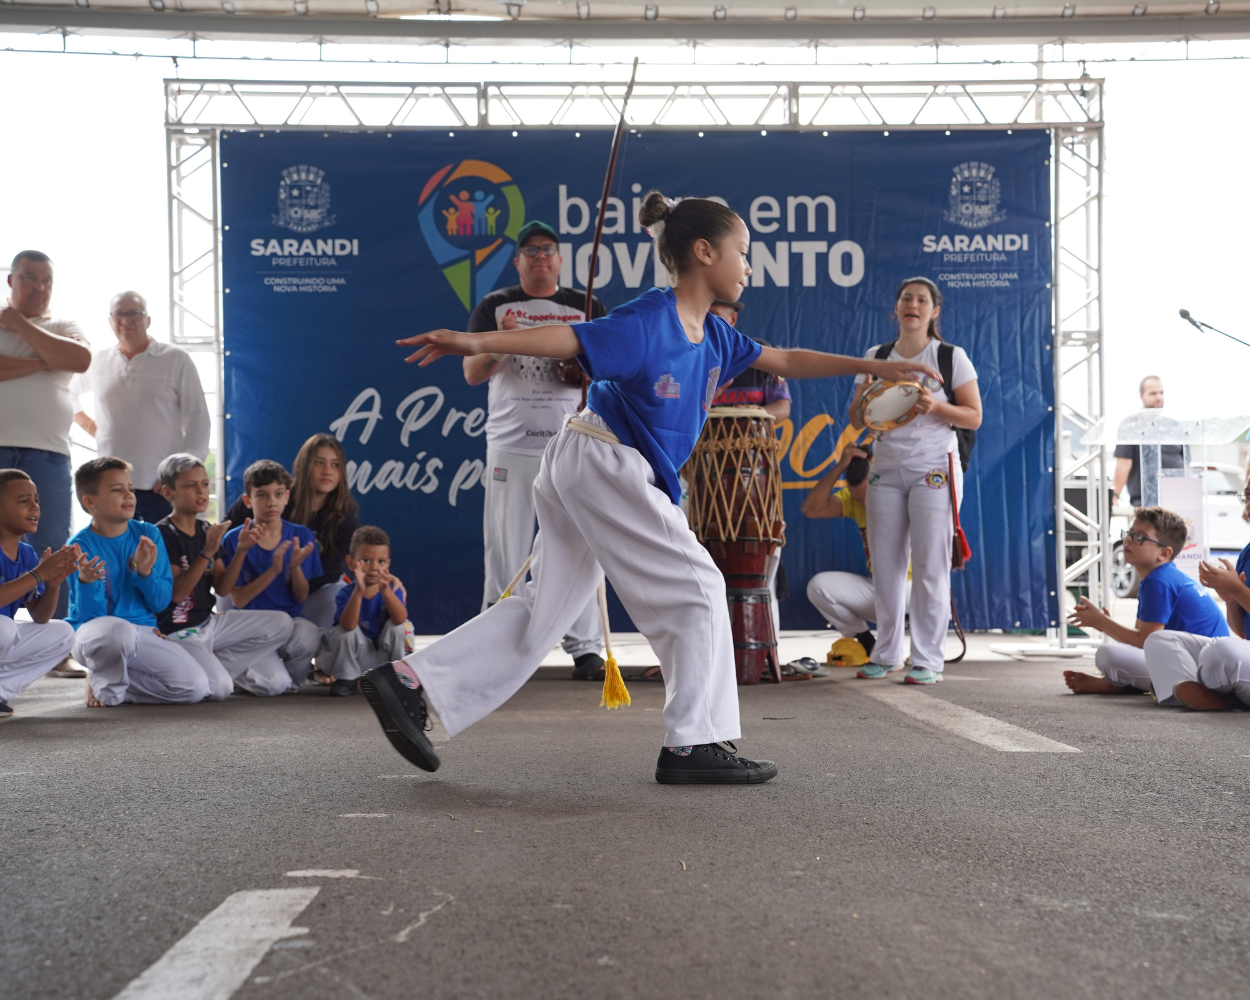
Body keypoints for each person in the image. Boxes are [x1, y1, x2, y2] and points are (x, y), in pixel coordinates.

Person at [361, 191, 939, 785]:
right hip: (604, 458)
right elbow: (572, 340)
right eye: (742, 252)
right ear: (703, 251)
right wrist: (476, 341)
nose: (748, 266)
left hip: (588, 460)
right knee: (700, 587)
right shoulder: (650, 318)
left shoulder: (716, 336)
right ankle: (693, 744)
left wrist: (878, 368)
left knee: (545, 610)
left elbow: (786, 359)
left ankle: (409, 682)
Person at [465, 220, 608, 682]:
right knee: (505, 547)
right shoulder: (495, 304)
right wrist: (501, 343)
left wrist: (581, 370)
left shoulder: (584, 306)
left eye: (548, 249)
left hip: (572, 445)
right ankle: (495, 644)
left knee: (578, 546)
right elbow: (472, 372)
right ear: (518, 261)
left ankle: (585, 648)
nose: (540, 256)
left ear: (560, 259)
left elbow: (608, 372)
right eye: (531, 251)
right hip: (511, 447)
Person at [848, 277, 982, 685]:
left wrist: (936, 405)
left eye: (922, 300)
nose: (913, 305)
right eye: (906, 298)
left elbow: (973, 416)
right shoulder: (877, 355)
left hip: (933, 466)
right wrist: (867, 398)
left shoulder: (949, 356)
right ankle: (886, 653)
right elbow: (856, 419)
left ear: (934, 311)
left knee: (929, 567)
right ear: (896, 308)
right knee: (886, 568)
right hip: (885, 467)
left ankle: (927, 660)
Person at [66, 457, 214, 707]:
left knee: (195, 688)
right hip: (94, 636)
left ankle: (119, 684)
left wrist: (144, 573)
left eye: (131, 489)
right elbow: (92, 617)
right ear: (90, 502)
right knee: (117, 630)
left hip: (142, 630)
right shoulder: (78, 547)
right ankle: (103, 680)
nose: (129, 495)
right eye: (117, 490)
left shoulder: (148, 534)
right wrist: (87, 582)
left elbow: (160, 603)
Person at [0, 251, 92, 626]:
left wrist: (19, 327)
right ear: (11, 280)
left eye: (47, 280)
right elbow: (62, 358)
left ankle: (57, 639)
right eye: (29, 278)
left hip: (49, 454)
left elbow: (80, 360)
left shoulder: (65, 324)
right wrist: (46, 360)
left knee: (52, 545)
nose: (40, 287)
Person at [154, 454, 295, 698]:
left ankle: (212, 665)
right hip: (178, 629)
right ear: (168, 493)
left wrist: (240, 550)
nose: (201, 491)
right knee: (219, 690)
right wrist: (207, 551)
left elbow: (221, 588)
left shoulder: (206, 529)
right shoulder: (162, 533)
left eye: (205, 484)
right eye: (191, 485)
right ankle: (207, 673)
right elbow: (176, 594)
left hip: (209, 623)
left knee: (277, 674)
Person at [70, 291, 210, 525]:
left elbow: (198, 418)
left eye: (134, 313)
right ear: (110, 321)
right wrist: (92, 427)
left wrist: (180, 474)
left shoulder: (175, 359)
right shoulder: (97, 361)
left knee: (164, 555)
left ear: (148, 319)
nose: (126, 320)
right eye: (119, 314)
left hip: (161, 486)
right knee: (116, 556)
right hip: (111, 484)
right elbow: (68, 392)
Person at [1063, 506, 1228, 697]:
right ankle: (1120, 683)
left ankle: (1121, 683)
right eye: (1129, 533)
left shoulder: (1158, 581)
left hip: (1201, 669)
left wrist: (1102, 622)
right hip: (1199, 662)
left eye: (1139, 537)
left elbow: (1145, 642)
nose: (1128, 540)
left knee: (1107, 654)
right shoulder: (1158, 578)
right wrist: (1105, 625)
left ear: (1164, 553)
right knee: (1116, 652)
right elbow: (1140, 638)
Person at [226, 434, 361, 646]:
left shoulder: (344, 518)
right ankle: (233, 644)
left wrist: (387, 583)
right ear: (304, 465)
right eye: (319, 463)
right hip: (258, 591)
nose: (327, 471)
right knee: (226, 585)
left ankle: (324, 661)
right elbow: (223, 537)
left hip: (309, 594)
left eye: (335, 465)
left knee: (337, 596)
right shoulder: (273, 493)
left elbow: (362, 561)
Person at [1137, 481, 1250, 711]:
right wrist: (1230, 600)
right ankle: (1209, 695)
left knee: (1221, 651)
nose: (1247, 503)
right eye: (1246, 495)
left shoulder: (1160, 579)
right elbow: (1241, 632)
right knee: (1159, 641)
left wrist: (1238, 591)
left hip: (1230, 658)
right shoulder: (1247, 552)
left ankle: (1219, 694)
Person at [214, 460, 323, 690]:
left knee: (309, 635)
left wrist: (294, 569)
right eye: (262, 495)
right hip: (252, 627)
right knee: (273, 683)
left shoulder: (300, 536)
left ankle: (292, 684)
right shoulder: (235, 539)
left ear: (286, 497)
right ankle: (223, 669)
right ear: (248, 500)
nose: (271, 502)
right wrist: (273, 570)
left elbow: (302, 597)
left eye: (278, 494)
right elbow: (239, 600)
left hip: (289, 622)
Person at [802, 443, 910, 665]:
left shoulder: (903, 492)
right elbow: (811, 509)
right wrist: (840, 466)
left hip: (912, 590)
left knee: (917, 589)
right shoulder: (853, 500)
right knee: (819, 586)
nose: (863, 502)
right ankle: (866, 642)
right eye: (857, 498)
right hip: (879, 589)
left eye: (866, 496)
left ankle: (920, 652)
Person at [0, 469, 79, 718]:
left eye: (37, 500)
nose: (35, 507)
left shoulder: (27, 554)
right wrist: (37, 575)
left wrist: (52, 583)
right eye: (24, 501)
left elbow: (39, 617)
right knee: (5, 627)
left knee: (62, 632)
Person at [323, 526, 409, 698]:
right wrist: (358, 593)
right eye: (366, 561)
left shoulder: (392, 589)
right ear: (350, 562)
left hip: (385, 658)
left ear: (388, 564)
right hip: (358, 659)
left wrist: (386, 591)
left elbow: (400, 619)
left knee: (399, 628)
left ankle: (400, 678)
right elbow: (348, 625)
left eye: (381, 561)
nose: (374, 568)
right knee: (342, 632)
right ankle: (346, 679)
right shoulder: (346, 593)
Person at [706, 300, 791, 420]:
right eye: (701, 315)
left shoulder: (759, 353)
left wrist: (761, 413)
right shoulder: (690, 357)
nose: (705, 321)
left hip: (754, 438)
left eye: (713, 314)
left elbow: (783, 406)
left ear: (733, 319)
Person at [1113, 376, 1186, 507]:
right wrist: (1115, 496)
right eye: (1153, 393)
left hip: (1177, 499)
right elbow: (1123, 463)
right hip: (1144, 502)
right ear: (1141, 396)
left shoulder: (1174, 426)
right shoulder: (1131, 425)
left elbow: (1186, 462)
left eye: (1161, 393)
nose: (1159, 397)